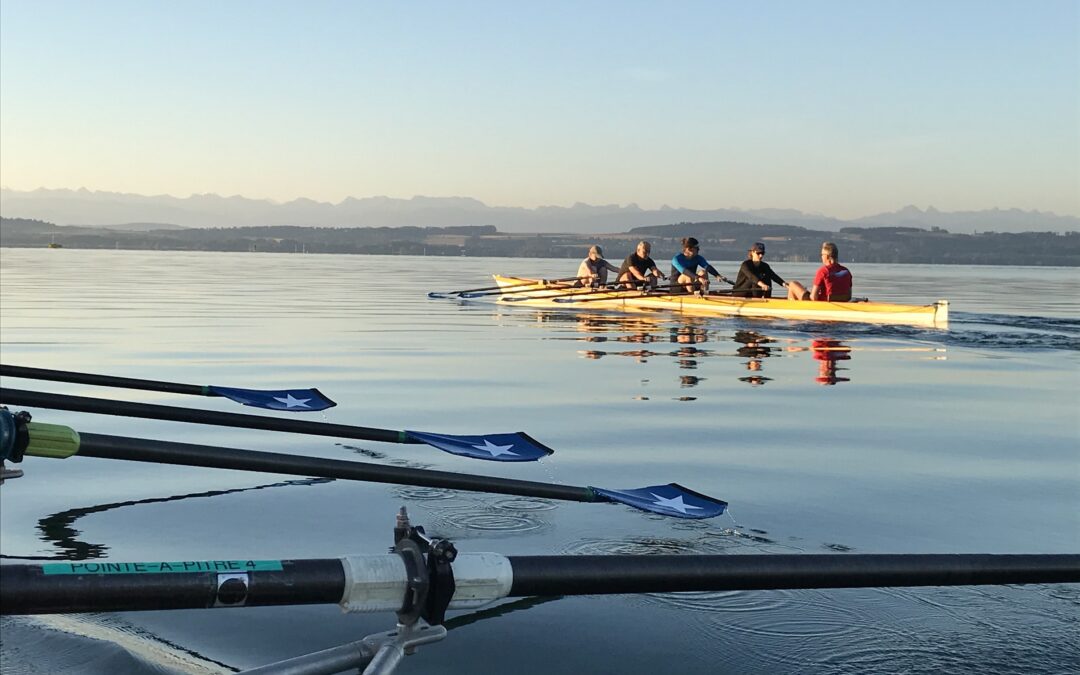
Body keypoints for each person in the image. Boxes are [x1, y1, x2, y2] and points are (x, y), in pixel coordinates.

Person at [787, 241, 853, 302]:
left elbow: (813, 298)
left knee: (792, 284)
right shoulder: (846, 271)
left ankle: (790, 309)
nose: (821, 257)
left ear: (827, 256)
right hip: (840, 302)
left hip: (822, 304)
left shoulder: (823, 271)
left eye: (822, 255)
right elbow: (849, 296)